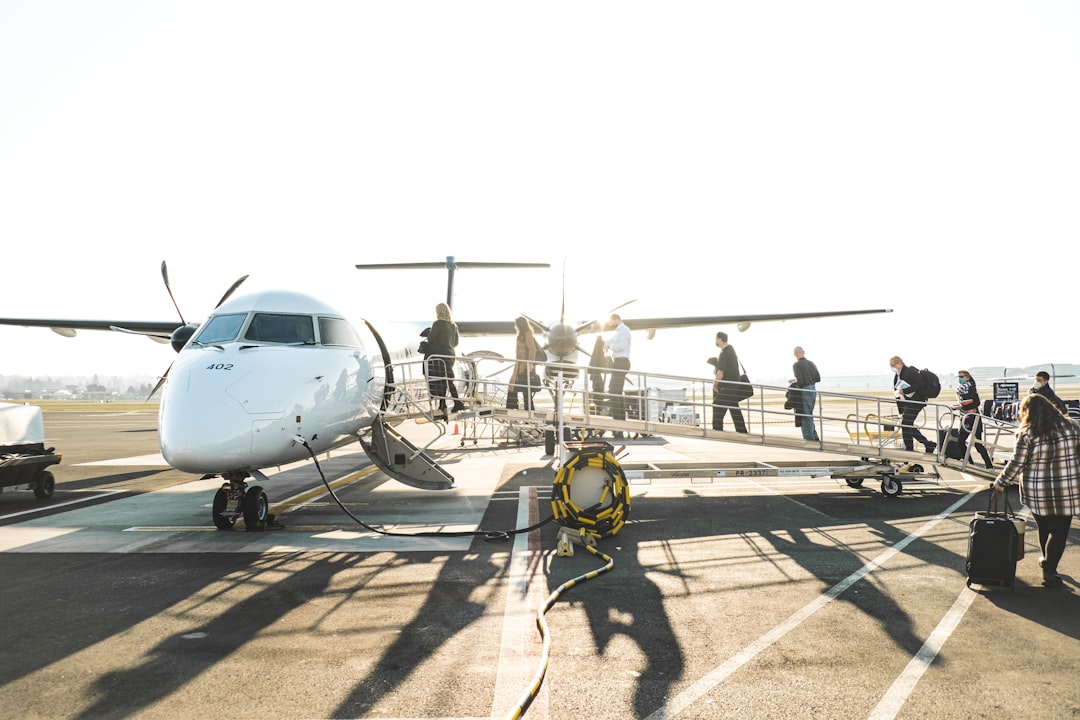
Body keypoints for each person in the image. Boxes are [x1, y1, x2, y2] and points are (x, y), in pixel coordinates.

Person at [993, 393, 1080, 587]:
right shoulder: (1072, 426)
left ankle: (1046, 561)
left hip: (1037, 490)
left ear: (1028, 412)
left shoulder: (1027, 433)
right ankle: (1050, 568)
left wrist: (1001, 481)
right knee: (1059, 532)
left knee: (1044, 527)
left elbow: (1017, 462)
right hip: (1067, 488)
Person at [425, 302, 464, 419]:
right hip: (451, 355)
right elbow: (456, 342)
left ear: (439, 312)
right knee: (447, 379)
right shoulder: (453, 325)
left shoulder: (438, 324)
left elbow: (430, 338)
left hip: (439, 355)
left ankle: (454, 403)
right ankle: (445, 404)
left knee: (442, 379)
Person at [890, 355, 935, 453]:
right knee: (907, 424)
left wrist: (905, 391)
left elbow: (919, 384)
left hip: (916, 401)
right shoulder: (897, 375)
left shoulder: (910, 371)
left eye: (893, 365)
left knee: (906, 423)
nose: (892, 368)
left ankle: (909, 448)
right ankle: (928, 444)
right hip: (907, 403)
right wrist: (901, 409)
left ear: (899, 363)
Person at [955, 369, 994, 469]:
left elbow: (976, 402)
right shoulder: (961, 390)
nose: (960, 379)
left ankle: (989, 465)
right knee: (960, 441)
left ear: (967, 377)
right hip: (965, 418)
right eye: (958, 377)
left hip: (973, 417)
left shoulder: (971, 388)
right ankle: (970, 463)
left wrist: (962, 407)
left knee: (978, 443)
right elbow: (962, 402)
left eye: (961, 377)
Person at [712, 331, 747, 433]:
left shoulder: (723, 353)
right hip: (735, 385)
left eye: (716, 339)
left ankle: (717, 431)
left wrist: (715, 385)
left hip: (727, 387)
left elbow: (720, 372)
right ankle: (742, 431)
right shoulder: (731, 349)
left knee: (717, 407)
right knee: (734, 409)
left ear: (719, 340)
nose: (716, 341)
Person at [603, 313, 631, 436]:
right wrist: (605, 341)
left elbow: (620, 346)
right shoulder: (619, 331)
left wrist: (609, 345)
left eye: (611, 321)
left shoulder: (624, 331)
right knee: (616, 391)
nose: (610, 324)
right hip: (619, 362)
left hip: (621, 362)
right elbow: (613, 340)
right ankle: (619, 420)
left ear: (616, 320)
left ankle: (619, 421)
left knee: (614, 390)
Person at [507, 316, 541, 411]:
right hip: (518, 365)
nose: (515, 327)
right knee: (513, 386)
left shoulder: (527, 333)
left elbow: (532, 349)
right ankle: (512, 406)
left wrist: (530, 364)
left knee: (525, 389)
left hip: (525, 366)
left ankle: (528, 409)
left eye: (516, 325)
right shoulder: (520, 335)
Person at [792, 346, 820, 441]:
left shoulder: (797, 365)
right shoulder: (811, 363)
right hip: (813, 388)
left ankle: (809, 437)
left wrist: (794, 383)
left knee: (805, 414)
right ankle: (814, 435)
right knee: (809, 413)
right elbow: (817, 378)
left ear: (796, 354)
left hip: (805, 390)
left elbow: (801, 381)